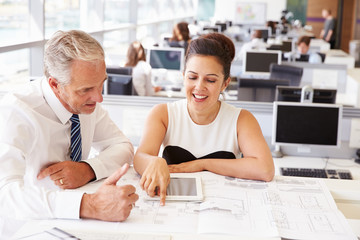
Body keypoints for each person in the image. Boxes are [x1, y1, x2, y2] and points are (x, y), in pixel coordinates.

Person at [0, 30, 139, 235]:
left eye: (102, 84)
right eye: (86, 89)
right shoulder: (16, 112)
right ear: (55, 85)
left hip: (74, 225)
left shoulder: (85, 104)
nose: (99, 98)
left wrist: (87, 169)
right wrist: (88, 205)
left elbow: (123, 147)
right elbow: (5, 195)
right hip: (26, 230)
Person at [134, 33, 275, 206]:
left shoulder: (241, 119)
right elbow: (140, 158)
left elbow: (265, 170)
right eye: (192, 77)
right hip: (173, 204)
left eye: (210, 80)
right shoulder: (163, 113)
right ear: (183, 76)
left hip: (223, 204)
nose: (199, 87)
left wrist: (202, 164)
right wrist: (154, 161)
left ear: (225, 83)